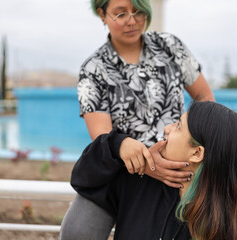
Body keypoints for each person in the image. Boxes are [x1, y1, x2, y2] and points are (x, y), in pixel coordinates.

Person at [59, 0, 214, 239]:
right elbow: (103, 137)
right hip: (123, 169)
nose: (132, 21)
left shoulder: (170, 46)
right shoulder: (93, 69)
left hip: (180, 167)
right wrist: (147, 163)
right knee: (76, 233)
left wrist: (197, 140)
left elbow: (204, 96)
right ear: (102, 14)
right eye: (120, 14)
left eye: (138, 11)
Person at [71, 101, 237, 240]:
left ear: (197, 153)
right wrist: (117, 145)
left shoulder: (224, 225)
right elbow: (84, 179)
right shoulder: (141, 179)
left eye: (179, 126)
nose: (167, 129)